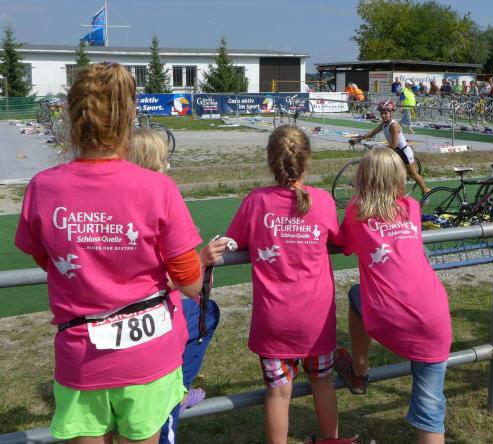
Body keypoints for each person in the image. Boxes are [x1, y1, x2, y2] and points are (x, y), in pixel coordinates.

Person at [15, 62, 202, 443]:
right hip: (148, 356)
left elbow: (46, 258)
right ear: (128, 117)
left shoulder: (42, 187)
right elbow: (190, 281)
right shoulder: (157, 188)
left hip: (81, 356)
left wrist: (87, 271)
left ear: (72, 117)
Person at [224, 125, 340, 443]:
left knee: (278, 393)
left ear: (271, 161)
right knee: (323, 383)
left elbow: (233, 241)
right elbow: (340, 239)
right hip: (316, 319)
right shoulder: (323, 201)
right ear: (307, 160)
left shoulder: (256, 201)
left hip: (274, 319)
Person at [334, 147, 452, 444]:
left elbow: (343, 243)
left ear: (362, 178)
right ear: (400, 178)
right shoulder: (412, 207)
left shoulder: (356, 212)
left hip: (388, 314)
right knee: (431, 409)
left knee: (357, 295)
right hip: (434, 313)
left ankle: (359, 370)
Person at [127, 128, 229, 444]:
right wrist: (202, 259)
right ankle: (180, 390)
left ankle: (180, 389)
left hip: (124, 318)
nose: (167, 166)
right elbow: (177, 281)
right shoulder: (161, 197)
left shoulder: (118, 201)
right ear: (154, 163)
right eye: (164, 160)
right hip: (157, 316)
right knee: (205, 314)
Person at [349, 100, 429, 195]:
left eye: (386, 113)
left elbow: (394, 145)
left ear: (391, 113)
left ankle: (425, 191)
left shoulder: (393, 125)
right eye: (381, 113)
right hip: (393, 152)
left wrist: (378, 146)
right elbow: (372, 133)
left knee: (412, 174)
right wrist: (359, 139)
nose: (383, 115)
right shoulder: (384, 124)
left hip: (403, 152)